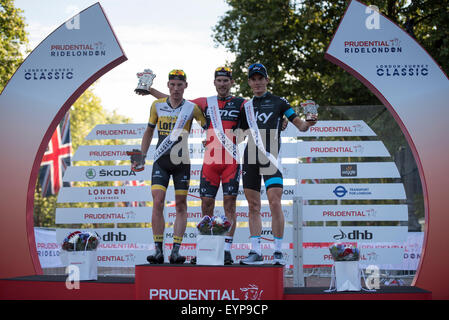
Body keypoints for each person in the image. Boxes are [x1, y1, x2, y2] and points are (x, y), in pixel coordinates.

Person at [144, 66, 246, 265]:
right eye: (220, 80)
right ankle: (201, 249)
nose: (223, 84)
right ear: (214, 82)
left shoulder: (241, 103)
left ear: (231, 82)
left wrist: (282, 121)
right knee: (203, 205)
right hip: (207, 163)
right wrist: (149, 90)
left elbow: (258, 113)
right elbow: (174, 98)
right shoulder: (203, 103)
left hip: (229, 161)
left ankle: (225, 250)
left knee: (229, 206)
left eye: (226, 80)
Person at [239, 63, 318, 265]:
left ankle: (277, 251)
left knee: (275, 202)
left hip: (271, 158)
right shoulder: (245, 106)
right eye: (253, 79)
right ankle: (255, 251)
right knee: (253, 206)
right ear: (249, 82)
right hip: (250, 159)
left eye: (260, 78)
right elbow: (239, 136)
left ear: (267, 80)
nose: (257, 82)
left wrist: (309, 122)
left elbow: (300, 126)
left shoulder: (279, 102)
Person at [131, 69, 206, 264]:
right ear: (168, 86)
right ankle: (158, 250)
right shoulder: (156, 105)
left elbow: (210, 126)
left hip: (182, 162)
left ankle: (176, 251)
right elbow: (148, 131)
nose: (175, 88)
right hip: (161, 161)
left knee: (181, 204)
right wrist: (141, 156)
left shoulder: (192, 108)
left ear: (185, 86)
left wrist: (209, 139)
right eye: (172, 85)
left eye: (179, 85)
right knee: (158, 201)